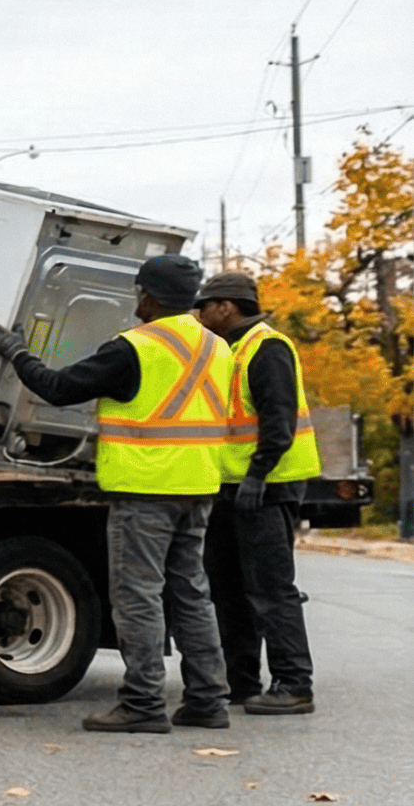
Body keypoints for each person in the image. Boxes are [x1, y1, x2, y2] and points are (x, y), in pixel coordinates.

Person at [0, 255, 233, 732]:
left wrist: (15, 349)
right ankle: (207, 700)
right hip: (199, 486)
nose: (137, 299)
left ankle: (142, 704)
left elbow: (57, 388)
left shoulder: (136, 347)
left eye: (140, 291)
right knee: (192, 596)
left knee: (138, 597)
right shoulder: (217, 348)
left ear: (151, 297)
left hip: (146, 491)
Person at [194, 271, 320, 715]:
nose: (199, 313)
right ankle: (241, 680)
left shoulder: (267, 348)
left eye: (204, 305)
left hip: (266, 486)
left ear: (226, 307)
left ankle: (293, 683)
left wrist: (257, 477)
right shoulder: (230, 351)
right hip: (232, 488)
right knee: (228, 589)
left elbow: (279, 424)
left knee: (270, 589)